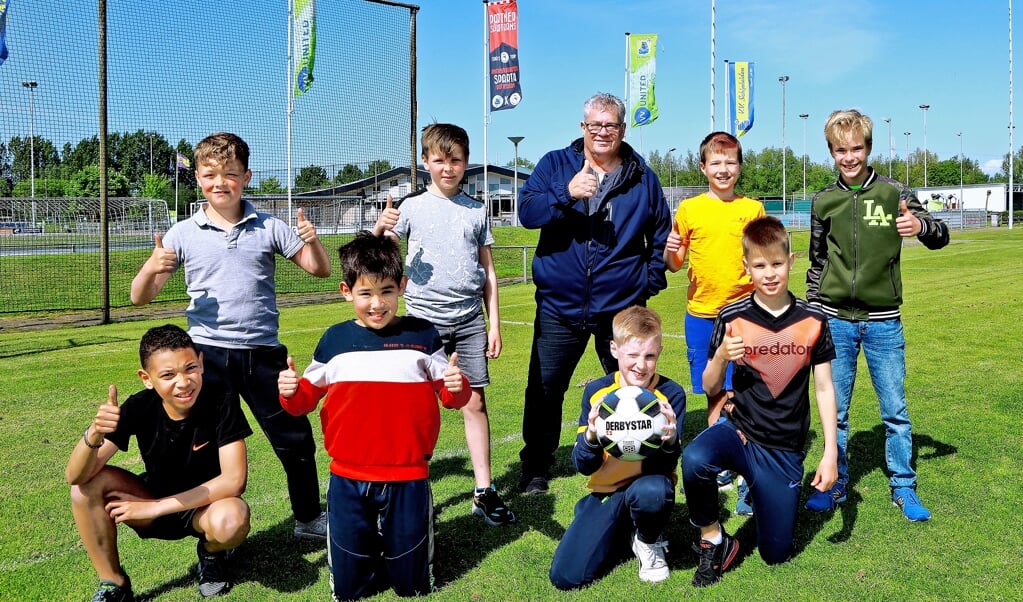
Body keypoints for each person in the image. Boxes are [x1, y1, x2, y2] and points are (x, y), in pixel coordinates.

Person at [130, 132, 332, 540]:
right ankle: (217, 534)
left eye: (230, 174)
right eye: (210, 175)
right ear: (198, 179)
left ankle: (309, 519)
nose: (220, 182)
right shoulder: (183, 232)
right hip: (206, 358)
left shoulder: (270, 226)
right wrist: (153, 266)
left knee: (295, 440)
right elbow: (139, 296)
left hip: (263, 355)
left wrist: (315, 243)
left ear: (247, 176)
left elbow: (319, 270)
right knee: (209, 451)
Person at [277, 232, 470, 600]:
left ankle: (402, 558)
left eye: (387, 291)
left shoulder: (423, 336)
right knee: (350, 591)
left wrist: (456, 386)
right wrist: (290, 391)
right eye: (366, 293)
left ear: (402, 286)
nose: (377, 304)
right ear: (346, 291)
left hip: (408, 476)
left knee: (411, 588)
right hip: (349, 478)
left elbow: (449, 399)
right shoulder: (334, 342)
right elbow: (303, 402)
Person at [516, 92, 672, 494]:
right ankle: (536, 466)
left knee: (631, 384)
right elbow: (527, 214)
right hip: (559, 305)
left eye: (611, 125)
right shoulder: (555, 164)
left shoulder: (642, 177)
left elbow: (659, 237)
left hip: (618, 310)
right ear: (583, 128)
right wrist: (566, 193)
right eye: (595, 125)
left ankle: (632, 456)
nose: (603, 132)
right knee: (546, 390)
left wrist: (645, 285)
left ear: (622, 129)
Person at [804, 109, 949, 521]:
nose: (848, 157)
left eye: (856, 149)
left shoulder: (895, 193)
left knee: (895, 412)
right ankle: (837, 486)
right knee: (839, 412)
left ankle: (903, 487)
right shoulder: (824, 201)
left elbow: (940, 234)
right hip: (835, 320)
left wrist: (919, 227)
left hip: (884, 322)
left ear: (867, 148)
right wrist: (815, 313)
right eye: (840, 150)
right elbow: (816, 264)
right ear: (831, 152)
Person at [681, 216, 839, 587]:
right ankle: (714, 540)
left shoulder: (813, 319)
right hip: (740, 433)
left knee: (776, 555)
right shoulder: (731, 316)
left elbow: (824, 388)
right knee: (695, 458)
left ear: (790, 261)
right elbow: (709, 385)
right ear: (746, 267)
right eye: (760, 266)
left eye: (777, 264)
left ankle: (760, 491)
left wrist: (830, 452)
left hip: (783, 448)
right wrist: (720, 356)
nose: (769, 274)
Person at [372, 123, 515, 527]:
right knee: (415, 408)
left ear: (465, 163)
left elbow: (488, 271)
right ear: (425, 162)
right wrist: (382, 225)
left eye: (455, 160)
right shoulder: (410, 207)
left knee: (474, 401)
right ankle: (408, 488)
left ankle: (484, 490)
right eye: (439, 160)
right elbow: (375, 253)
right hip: (422, 322)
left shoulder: (476, 209)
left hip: (469, 319)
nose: (447, 167)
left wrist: (494, 325)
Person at [67, 325, 252, 601]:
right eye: (168, 374)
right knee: (83, 489)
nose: (183, 382)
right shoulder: (139, 407)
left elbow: (234, 480)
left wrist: (153, 508)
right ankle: (113, 584)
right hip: (152, 498)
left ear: (201, 363)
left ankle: (211, 555)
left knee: (232, 518)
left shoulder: (221, 399)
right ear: (147, 378)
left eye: (190, 368)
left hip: (204, 506)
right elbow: (75, 475)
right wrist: (93, 433)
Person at [664, 131, 765, 514]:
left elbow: (762, 258)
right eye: (716, 163)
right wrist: (670, 254)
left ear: (739, 167)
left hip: (745, 317)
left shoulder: (752, 208)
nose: (724, 169)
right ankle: (719, 460)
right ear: (704, 167)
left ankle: (746, 475)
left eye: (731, 162)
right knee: (713, 393)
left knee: (744, 394)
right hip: (701, 316)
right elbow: (675, 264)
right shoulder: (689, 209)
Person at [549, 306, 685, 589]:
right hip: (607, 490)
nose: (641, 365)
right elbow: (583, 465)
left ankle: (647, 540)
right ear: (614, 349)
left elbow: (666, 467)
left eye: (649, 356)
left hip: (649, 486)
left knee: (654, 491)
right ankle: (605, 519)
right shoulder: (597, 392)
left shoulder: (670, 395)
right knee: (567, 576)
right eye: (632, 355)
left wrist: (670, 441)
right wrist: (591, 437)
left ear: (659, 350)